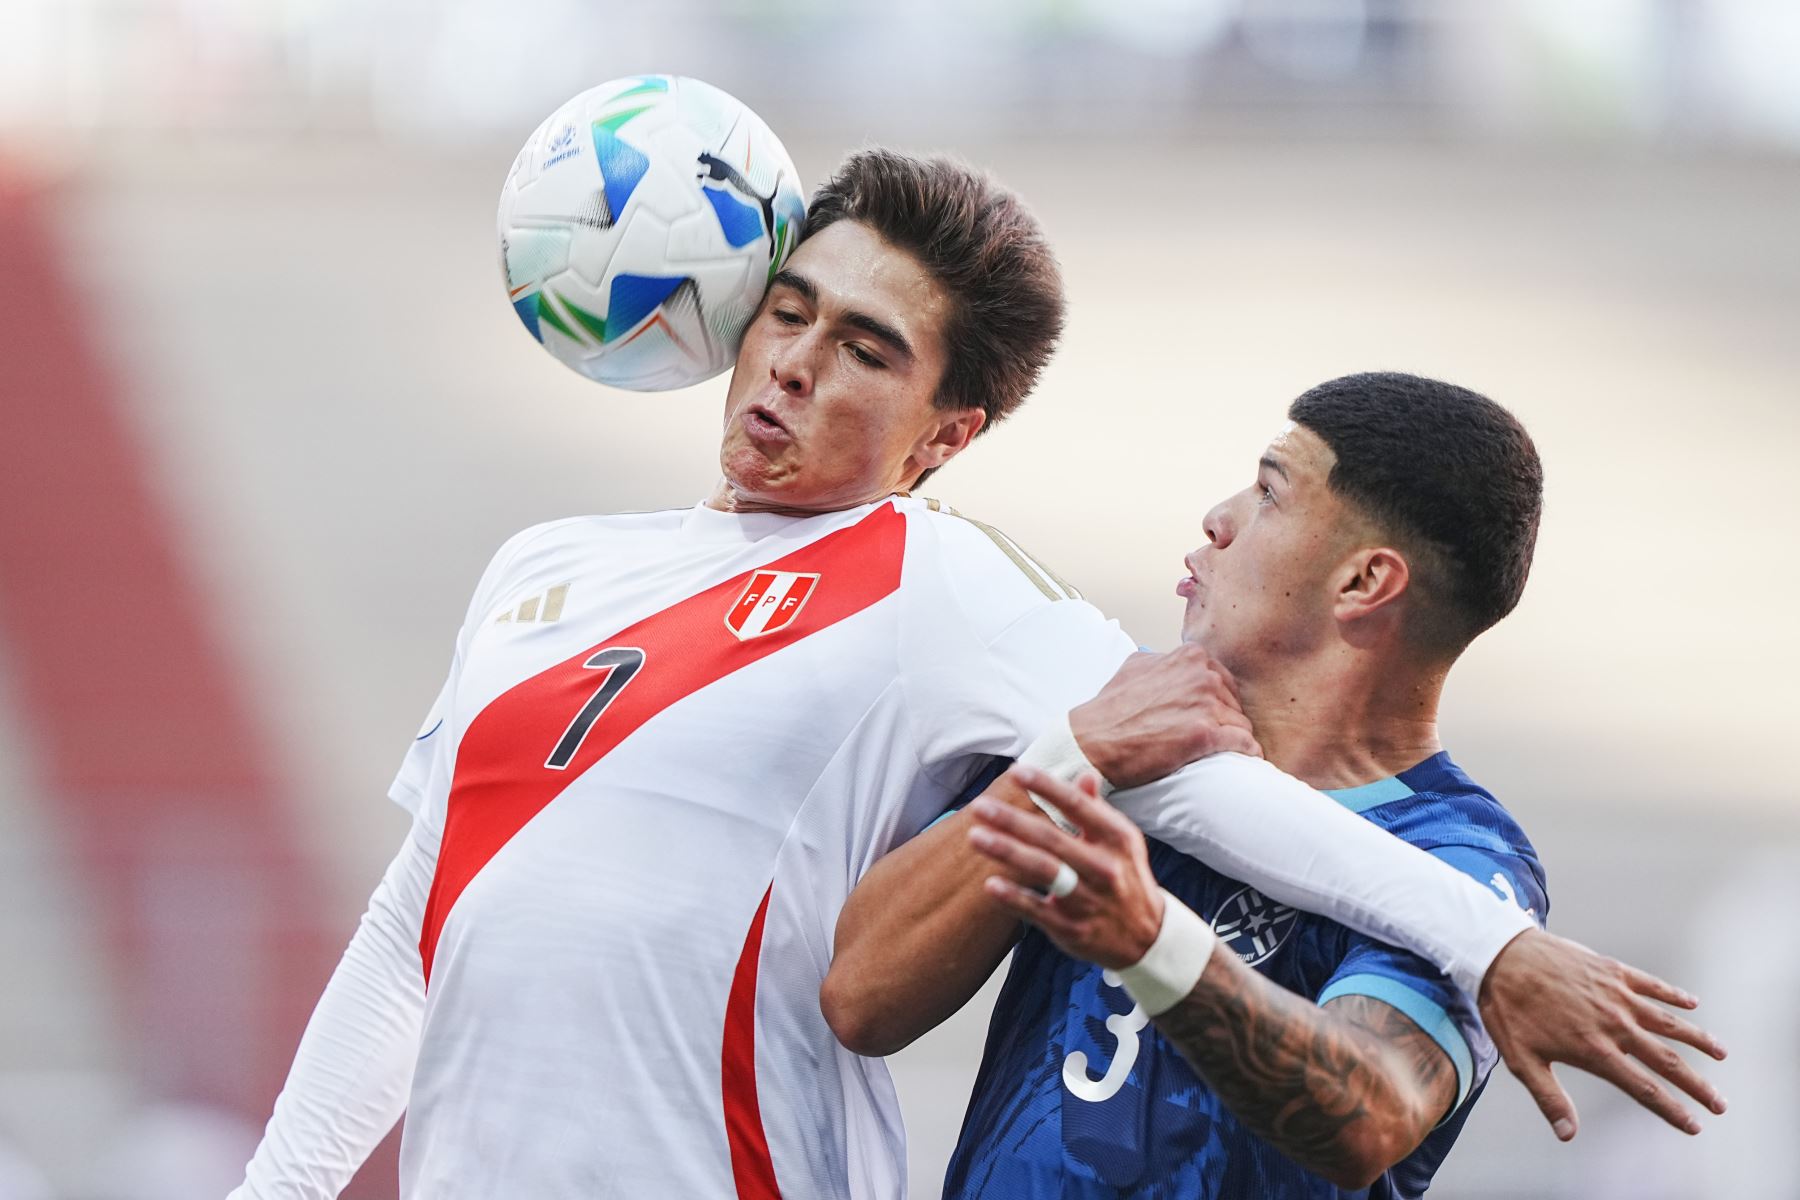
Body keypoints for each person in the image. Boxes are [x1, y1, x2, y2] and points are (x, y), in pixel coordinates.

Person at [231, 153, 1720, 1200]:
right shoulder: (540, 569)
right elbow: (418, 921)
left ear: (947, 436)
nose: (798, 363)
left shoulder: (941, 582)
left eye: (869, 348)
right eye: (791, 309)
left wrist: (1489, 945)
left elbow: (1218, 796)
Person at [825, 374, 1722, 1197]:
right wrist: (1066, 759)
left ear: (1364, 581)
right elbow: (861, 998)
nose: (1217, 519)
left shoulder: (1458, 856)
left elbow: (1372, 1113)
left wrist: (1151, 943)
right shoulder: (1117, 721)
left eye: (1268, 493)